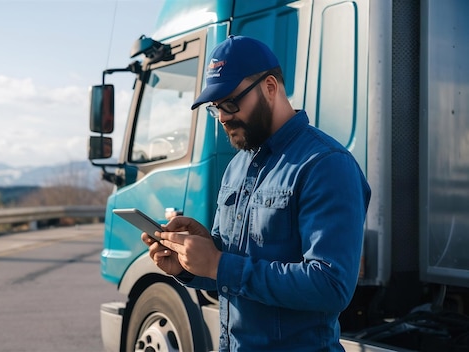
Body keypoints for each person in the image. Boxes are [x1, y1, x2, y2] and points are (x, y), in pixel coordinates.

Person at [141, 35, 371, 351]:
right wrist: (190, 263)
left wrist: (217, 264)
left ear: (270, 88)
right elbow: (231, 273)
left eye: (231, 102)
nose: (222, 116)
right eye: (216, 107)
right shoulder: (237, 167)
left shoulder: (326, 165)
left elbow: (330, 286)